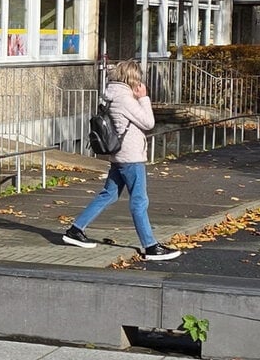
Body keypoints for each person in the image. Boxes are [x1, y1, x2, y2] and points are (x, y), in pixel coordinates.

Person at [62, 60, 183, 261]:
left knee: (108, 194)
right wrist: (143, 98)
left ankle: (75, 230)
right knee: (139, 201)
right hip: (131, 157)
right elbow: (148, 122)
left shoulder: (111, 94)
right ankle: (150, 246)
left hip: (119, 155)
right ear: (132, 78)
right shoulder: (125, 99)